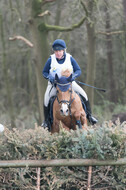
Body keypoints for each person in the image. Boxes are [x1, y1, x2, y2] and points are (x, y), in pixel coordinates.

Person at [42, 39, 98, 128]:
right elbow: (44, 72)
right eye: (56, 51)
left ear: (63, 50)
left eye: (60, 51)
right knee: (46, 99)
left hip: (69, 84)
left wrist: (73, 76)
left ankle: (90, 116)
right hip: (54, 85)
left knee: (84, 94)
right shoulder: (50, 59)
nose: (58, 53)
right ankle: (46, 121)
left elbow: (78, 70)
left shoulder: (69, 58)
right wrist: (50, 78)